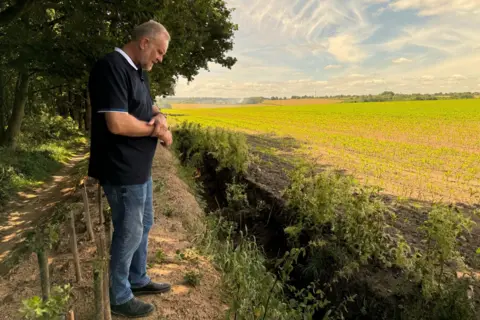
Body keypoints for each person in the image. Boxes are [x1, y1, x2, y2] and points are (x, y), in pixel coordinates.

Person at [87, 20, 173, 318]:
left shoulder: (139, 72)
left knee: (143, 225)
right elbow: (117, 122)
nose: (161, 59)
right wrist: (156, 133)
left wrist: (160, 117)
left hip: (139, 169)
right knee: (128, 231)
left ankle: (137, 278)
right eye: (160, 51)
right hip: (120, 170)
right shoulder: (111, 67)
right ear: (144, 43)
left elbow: (148, 107)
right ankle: (119, 296)